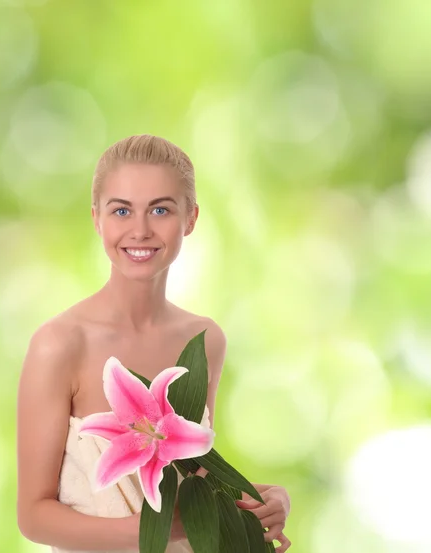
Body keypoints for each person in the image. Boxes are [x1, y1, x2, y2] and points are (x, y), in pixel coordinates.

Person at [16, 135, 292, 552]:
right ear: (97, 219)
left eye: (160, 209)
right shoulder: (59, 344)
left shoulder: (204, 341)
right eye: (121, 210)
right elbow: (34, 517)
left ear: (191, 218)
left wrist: (266, 499)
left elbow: (193, 482)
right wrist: (152, 531)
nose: (140, 230)